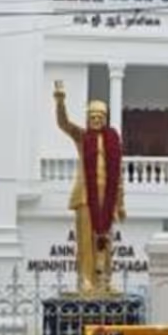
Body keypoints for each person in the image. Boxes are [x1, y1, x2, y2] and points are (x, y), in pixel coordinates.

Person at [53, 81, 126, 295]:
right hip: (86, 196)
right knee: (85, 240)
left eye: (99, 117)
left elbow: (119, 176)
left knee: (106, 240)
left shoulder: (113, 142)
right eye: (92, 117)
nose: (95, 120)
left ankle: (104, 281)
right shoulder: (82, 138)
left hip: (108, 197)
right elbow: (64, 123)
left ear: (105, 119)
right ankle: (85, 279)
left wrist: (120, 204)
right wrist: (60, 101)